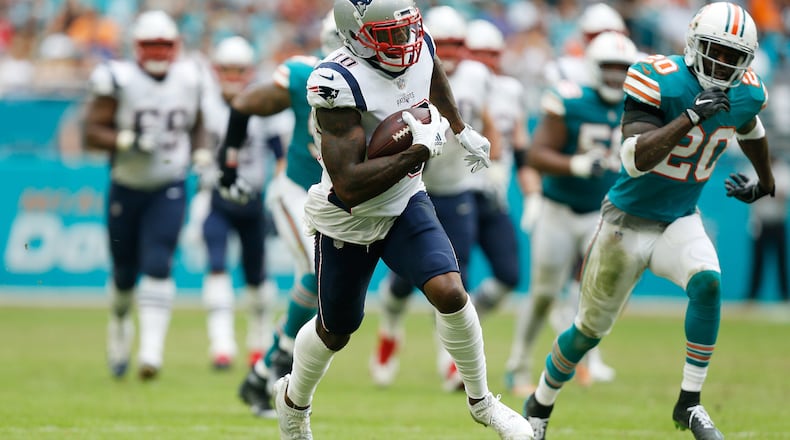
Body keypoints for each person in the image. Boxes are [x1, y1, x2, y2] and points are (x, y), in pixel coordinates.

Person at [218, 0, 533, 438]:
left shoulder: (417, 44)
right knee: (336, 329)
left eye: (407, 30)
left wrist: (460, 128)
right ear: (356, 36)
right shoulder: (335, 82)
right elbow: (349, 184)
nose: (405, 42)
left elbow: (431, 71)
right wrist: (418, 150)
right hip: (350, 216)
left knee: (450, 291)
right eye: (390, 34)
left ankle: (483, 403)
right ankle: (293, 402)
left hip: (405, 200)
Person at [523, 3, 775, 440]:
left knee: (708, 283)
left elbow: (749, 126)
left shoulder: (746, 92)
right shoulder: (659, 78)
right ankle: (540, 400)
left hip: (679, 217)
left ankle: (689, 402)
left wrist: (765, 181)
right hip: (625, 223)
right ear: (694, 44)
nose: (723, 64)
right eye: (716, 51)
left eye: (734, 56)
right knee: (588, 332)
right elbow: (634, 159)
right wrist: (691, 115)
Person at [367, 5, 506, 392]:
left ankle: (449, 360)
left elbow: (487, 116)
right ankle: (389, 331)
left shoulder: (477, 75)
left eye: (457, 43)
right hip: (416, 188)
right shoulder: (408, 70)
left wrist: (496, 160)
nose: (450, 51)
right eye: (442, 44)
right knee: (403, 280)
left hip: (458, 187)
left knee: (454, 278)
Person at [505, 31, 637, 398]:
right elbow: (536, 155)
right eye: (609, 68)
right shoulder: (571, 99)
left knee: (603, 291)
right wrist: (576, 164)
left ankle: (578, 359)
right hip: (558, 209)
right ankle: (518, 365)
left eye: (622, 69)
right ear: (593, 67)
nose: (616, 76)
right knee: (544, 293)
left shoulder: (638, 104)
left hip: (603, 212)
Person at [84, 10, 208, 380]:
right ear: (136, 47)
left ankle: (151, 352)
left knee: (159, 262)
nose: (157, 52)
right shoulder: (117, 78)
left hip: (169, 183)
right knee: (124, 273)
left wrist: (202, 152)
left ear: (175, 46)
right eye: (150, 45)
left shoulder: (190, 76)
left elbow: (198, 122)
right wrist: (127, 140)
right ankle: (120, 325)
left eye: (163, 44)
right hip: (127, 184)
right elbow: (92, 131)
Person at [231, 12, 344, 418]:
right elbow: (247, 103)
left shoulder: (379, 83)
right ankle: (279, 359)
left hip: (335, 199)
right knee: (319, 271)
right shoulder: (304, 74)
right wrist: (228, 158)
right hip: (296, 190)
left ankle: (261, 373)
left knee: (323, 286)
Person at [195, 35, 286, 370]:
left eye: (239, 70)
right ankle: (221, 344)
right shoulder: (206, 105)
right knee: (216, 264)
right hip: (216, 199)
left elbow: (280, 154)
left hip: (253, 202)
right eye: (227, 70)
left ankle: (258, 340)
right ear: (217, 71)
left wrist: (278, 189)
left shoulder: (263, 106)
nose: (233, 77)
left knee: (256, 277)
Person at [743, 154, 790, 302]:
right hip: (760, 222)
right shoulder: (754, 169)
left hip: (777, 221)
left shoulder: (783, 170)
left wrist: (764, 190)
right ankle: (752, 296)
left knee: (781, 261)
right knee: (757, 261)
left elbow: (784, 193)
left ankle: (784, 296)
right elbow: (749, 190)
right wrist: (769, 191)